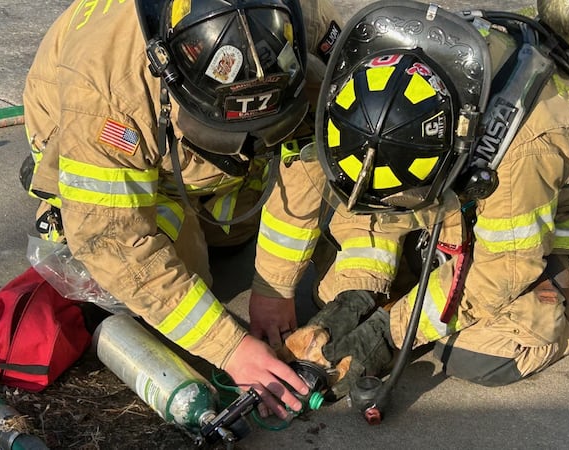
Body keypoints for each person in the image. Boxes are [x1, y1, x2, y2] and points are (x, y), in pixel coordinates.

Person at [282, 0, 569, 400]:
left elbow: (502, 269)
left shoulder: (525, 150)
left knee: (477, 353)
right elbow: (374, 209)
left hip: (556, 218)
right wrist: (355, 296)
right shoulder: (387, 83)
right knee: (329, 292)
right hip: (474, 196)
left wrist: (390, 332)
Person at [20, 0, 343, 418]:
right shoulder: (110, 87)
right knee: (166, 284)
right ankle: (66, 201)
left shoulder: (303, 22)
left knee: (234, 231)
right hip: (104, 136)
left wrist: (275, 287)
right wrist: (228, 347)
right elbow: (114, 240)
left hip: (203, 143)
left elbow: (309, 141)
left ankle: (215, 177)